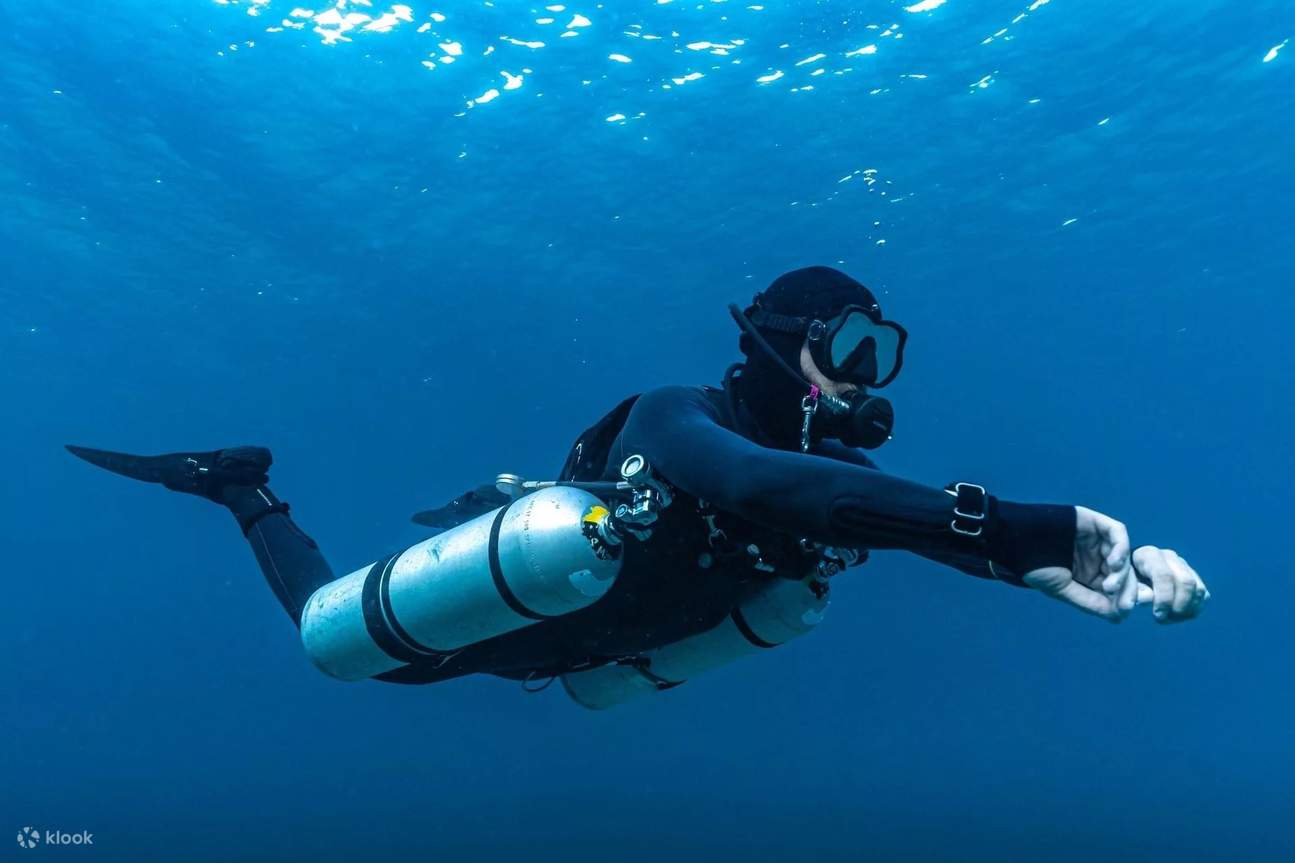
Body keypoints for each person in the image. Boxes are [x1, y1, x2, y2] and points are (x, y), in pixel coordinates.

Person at [67, 266, 1209, 688]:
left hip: (572, 648)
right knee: (339, 638)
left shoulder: (836, 470)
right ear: (778, 340)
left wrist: (1076, 563)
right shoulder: (681, 416)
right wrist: (1035, 526)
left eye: (882, 356)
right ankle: (240, 487)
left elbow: (892, 516)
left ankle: (453, 508)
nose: (866, 379)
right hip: (517, 598)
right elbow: (763, 487)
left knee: (412, 668)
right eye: (851, 347)